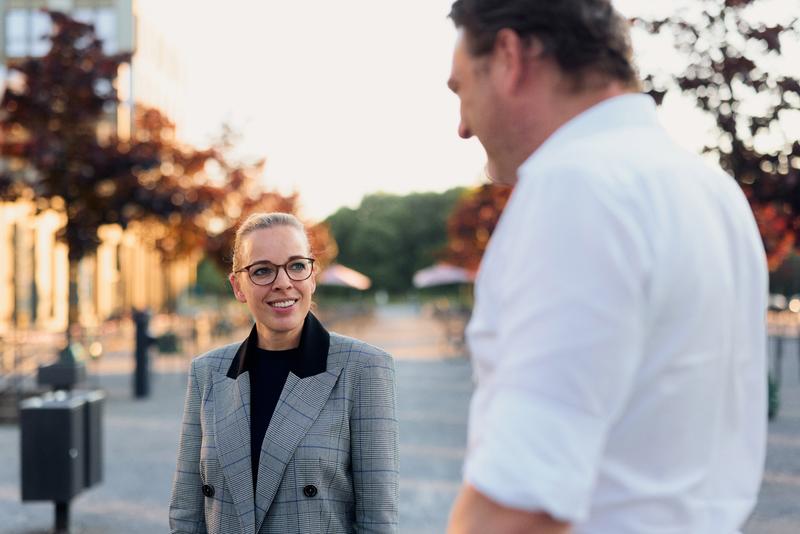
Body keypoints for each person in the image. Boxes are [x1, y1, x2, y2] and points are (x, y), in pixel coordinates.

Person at [444, 1, 768, 533]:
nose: (461, 126)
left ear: (509, 55)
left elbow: (519, 506)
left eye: (461, 90)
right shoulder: (713, 190)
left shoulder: (577, 187)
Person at [169, 212, 399, 534]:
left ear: (312, 276)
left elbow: (378, 523)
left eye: (296, 265)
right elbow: (186, 513)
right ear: (238, 286)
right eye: (262, 270)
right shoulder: (208, 371)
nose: (283, 282)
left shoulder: (363, 368)